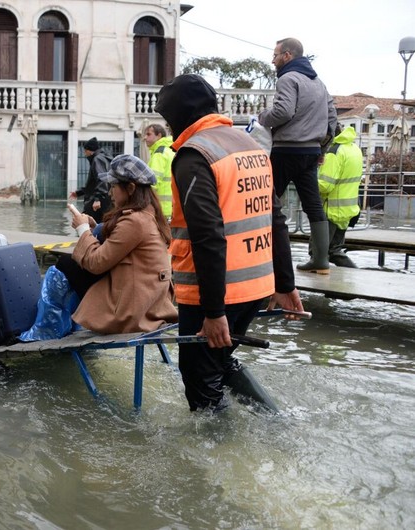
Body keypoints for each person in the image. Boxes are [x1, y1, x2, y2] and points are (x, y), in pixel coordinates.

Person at [155, 73, 305, 412]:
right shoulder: (250, 146)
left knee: (201, 386)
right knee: (219, 362)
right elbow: (274, 218)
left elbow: (208, 236)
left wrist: (213, 311)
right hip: (256, 288)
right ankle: (275, 422)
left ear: (179, 116)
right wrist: (284, 283)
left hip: (216, 294)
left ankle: (214, 459)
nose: (167, 127)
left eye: (168, 119)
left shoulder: (194, 155)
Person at [60, 154, 178, 334]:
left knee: (65, 264)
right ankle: (71, 321)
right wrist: (94, 228)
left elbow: (96, 263)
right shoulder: (149, 214)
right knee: (84, 248)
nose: (109, 193)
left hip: (135, 311)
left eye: (113, 186)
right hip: (152, 302)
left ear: (130, 188)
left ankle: (53, 326)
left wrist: (83, 230)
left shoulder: (135, 221)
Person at [259, 37, 338, 275]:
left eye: (275, 55)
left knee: (268, 202)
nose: (273, 60)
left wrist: (262, 118)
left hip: (286, 150)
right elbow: (332, 120)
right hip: (311, 152)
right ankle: (321, 261)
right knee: (313, 204)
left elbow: (282, 111)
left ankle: (266, 260)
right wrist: (322, 150)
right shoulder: (319, 83)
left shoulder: (288, 78)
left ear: (288, 55)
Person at [318, 124, 363, 268]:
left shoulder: (334, 152)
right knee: (335, 250)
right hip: (347, 210)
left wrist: (306, 181)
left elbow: (325, 185)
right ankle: (350, 277)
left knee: (318, 253)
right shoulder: (353, 148)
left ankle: (328, 285)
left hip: (331, 210)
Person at [69, 137, 112, 223]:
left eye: (85, 151)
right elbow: (93, 184)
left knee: (87, 226)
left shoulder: (97, 159)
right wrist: (78, 192)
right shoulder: (104, 158)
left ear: (90, 150)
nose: (85, 154)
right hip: (106, 201)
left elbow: (101, 179)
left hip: (97, 203)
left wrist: (97, 199)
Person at [144, 124, 175, 218]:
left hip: (160, 209)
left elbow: (153, 182)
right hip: (171, 208)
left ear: (159, 135)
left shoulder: (159, 154)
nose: (145, 138)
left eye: (148, 134)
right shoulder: (169, 150)